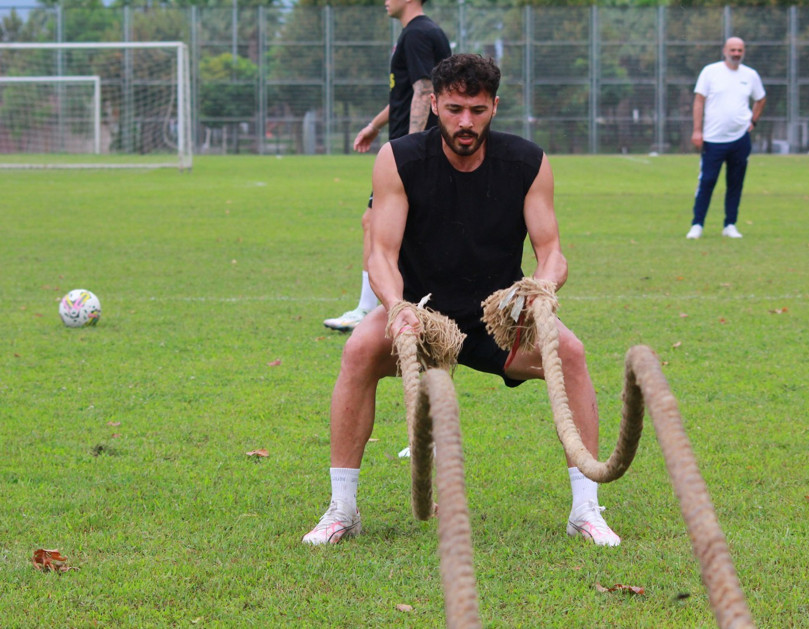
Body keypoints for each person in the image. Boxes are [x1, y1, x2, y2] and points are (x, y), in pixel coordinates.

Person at [303, 54, 621, 547]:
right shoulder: (399, 159)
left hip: (497, 316)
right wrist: (397, 307)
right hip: (422, 313)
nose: (465, 122)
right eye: (454, 109)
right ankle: (342, 509)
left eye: (477, 109)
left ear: (495, 106)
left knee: (571, 355)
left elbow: (552, 252)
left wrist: (540, 290)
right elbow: (381, 254)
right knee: (359, 350)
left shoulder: (528, 162)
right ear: (435, 104)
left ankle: (586, 511)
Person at [323, 0, 451, 332]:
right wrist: (375, 126)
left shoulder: (417, 34)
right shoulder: (425, 31)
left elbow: (424, 90)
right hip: (419, 147)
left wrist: (410, 148)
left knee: (375, 222)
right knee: (403, 226)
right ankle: (415, 304)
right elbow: (406, 95)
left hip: (410, 152)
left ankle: (369, 310)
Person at [686, 36, 766, 240]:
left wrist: (753, 121)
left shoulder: (750, 75)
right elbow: (699, 101)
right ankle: (697, 224)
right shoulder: (710, 72)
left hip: (740, 139)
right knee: (707, 181)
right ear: (724, 51)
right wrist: (697, 130)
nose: (736, 54)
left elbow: (760, 98)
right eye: (733, 50)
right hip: (713, 139)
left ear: (743, 52)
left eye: (740, 50)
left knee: (735, 183)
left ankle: (730, 224)